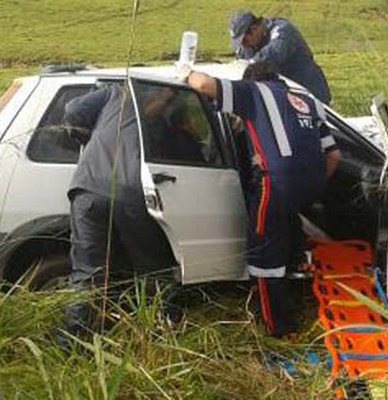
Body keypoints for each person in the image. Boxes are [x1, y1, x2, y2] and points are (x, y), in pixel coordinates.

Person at [186, 62, 341, 337]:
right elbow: (333, 156)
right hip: (311, 184)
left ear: (251, 80)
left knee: (263, 252)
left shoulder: (253, 92)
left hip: (276, 184)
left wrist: (186, 71)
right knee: (290, 226)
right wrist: (309, 184)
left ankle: (279, 328)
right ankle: (298, 284)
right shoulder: (307, 100)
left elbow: (202, 85)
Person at [59, 82, 178, 346]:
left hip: (88, 189)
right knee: (152, 270)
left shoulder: (116, 92)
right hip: (129, 194)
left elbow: (73, 108)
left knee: (87, 275)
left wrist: (84, 136)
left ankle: (71, 346)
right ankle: (157, 339)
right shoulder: (133, 95)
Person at [228, 10, 332, 105]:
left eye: (244, 41)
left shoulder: (283, 31)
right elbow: (241, 66)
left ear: (254, 29)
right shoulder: (249, 45)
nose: (244, 46)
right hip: (286, 99)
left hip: (311, 95)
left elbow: (268, 58)